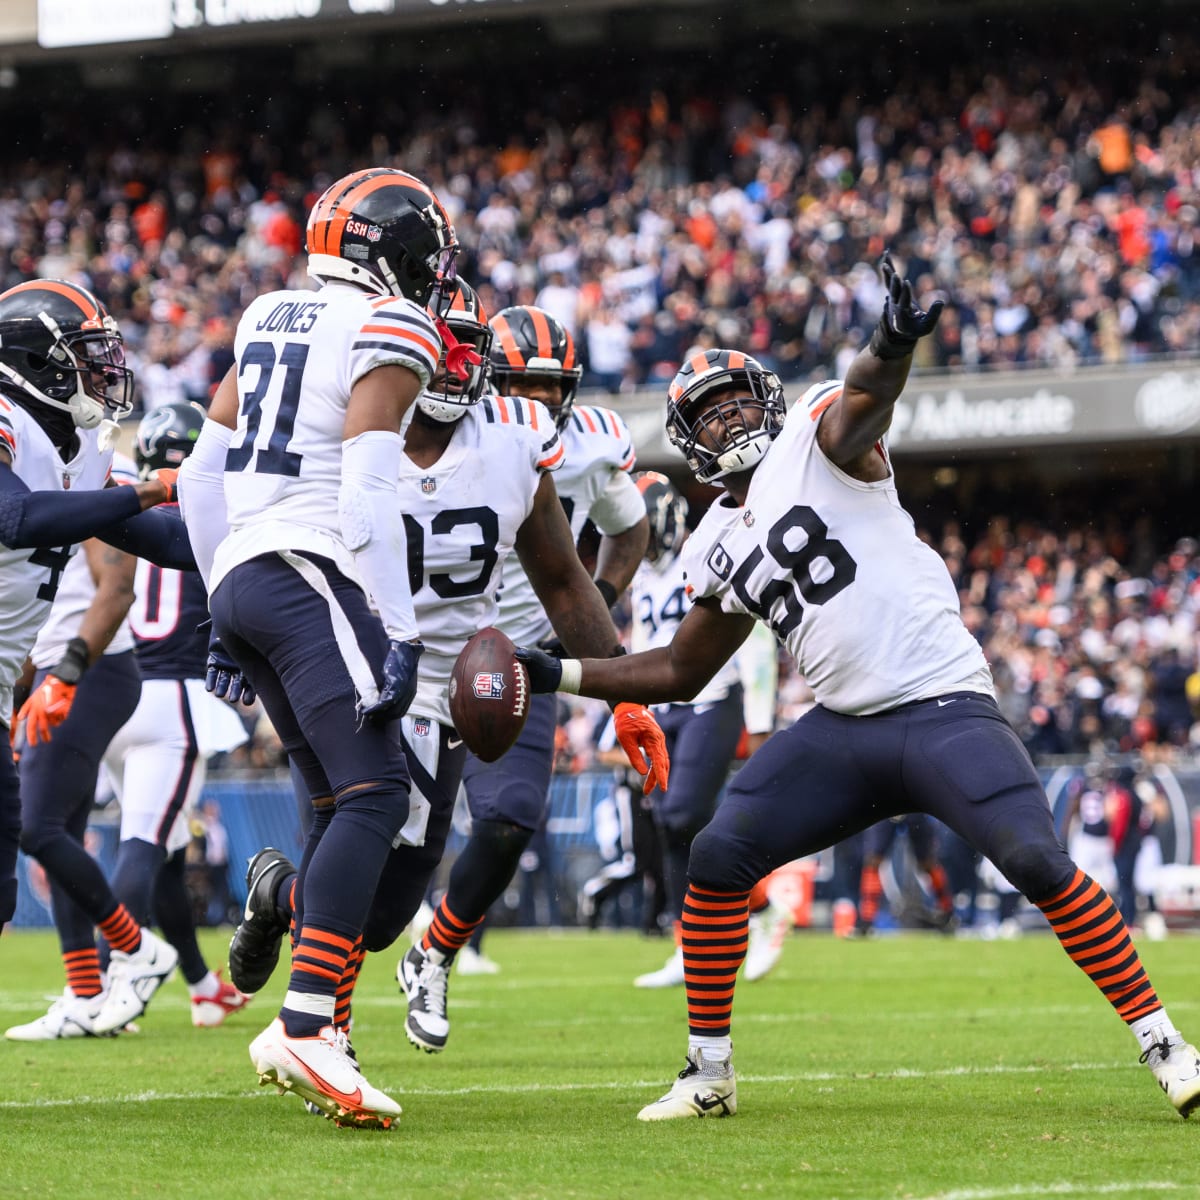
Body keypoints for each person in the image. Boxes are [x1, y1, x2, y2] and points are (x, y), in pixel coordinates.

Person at [515, 253, 1200, 1122]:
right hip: (842, 730)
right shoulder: (711, 543)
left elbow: (867, 394)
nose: (729, 418)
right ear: (687, 439)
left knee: (1034, 860)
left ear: (767, 397)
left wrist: (892, 337)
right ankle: (709, 1072)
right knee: (720, 855)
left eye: (736, 399)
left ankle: (1166, 1044)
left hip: (943, 706)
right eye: (709, 411)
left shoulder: (820, 442)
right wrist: (562, 674)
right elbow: (683, 668)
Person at [222, 280, 667, 1090]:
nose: (455, 361)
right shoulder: (348, 433)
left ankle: (276, 894)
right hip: (353, 660)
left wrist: (623, 694)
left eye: (469, 344)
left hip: (453, 690)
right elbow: (251, 504)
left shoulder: (517, 438)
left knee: (386, 915)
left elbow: (566, 582)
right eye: (441, 342)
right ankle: (321, 1028)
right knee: (352, 824)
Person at [178, 167, 458, 1130]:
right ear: (398, 251)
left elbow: (195, 478)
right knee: (380, 793)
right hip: (310, 567)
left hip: (252, 577)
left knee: (341, 800)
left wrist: (221, 597)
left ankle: (300, 1020)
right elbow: (368, 495)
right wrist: (401, 631)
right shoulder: (395, 327)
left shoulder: (268, 314)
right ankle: (305, 1026)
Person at [399, 302, 651, 1052]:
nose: (535, 404)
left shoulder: (593, 443)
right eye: (518, 385)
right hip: (422, 652)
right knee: (390, 849)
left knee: (510, 822)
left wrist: (598, 604)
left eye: (549, 389)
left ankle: (436, 952)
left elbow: (628, 526)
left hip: (520, 657)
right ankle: (322, 999)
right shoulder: (441, 434)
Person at [0, 278, 193, 941]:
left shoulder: (80, 452)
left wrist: (267, 537)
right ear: (34, 360)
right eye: (84, 355)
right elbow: (15, 516)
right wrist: (147, 491)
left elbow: (167, 540)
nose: (101, 370)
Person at [102, 404, 252, 1027]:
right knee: (143, 847)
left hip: (117, 697)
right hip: (176, 699)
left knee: (160, 851)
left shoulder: (127, 514)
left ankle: (198, 982)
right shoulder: (215, 515)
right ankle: (109, 983)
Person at [626, 472, 788, 988]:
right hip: (666, 708)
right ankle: (702, 935)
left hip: (715, 698)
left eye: (643, 530)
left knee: (682, 813)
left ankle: (757, 911)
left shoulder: (707, 549)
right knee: (671, 825)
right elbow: (642, 644)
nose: (638, 543)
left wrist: (760, 718)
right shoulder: (641, 576)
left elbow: (756, 634)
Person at [854, 814, 957, 935]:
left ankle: (948, 912)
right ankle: (867, 919)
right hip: (886, 806)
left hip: (913, 806)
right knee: (873, 860)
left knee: (927, 863)